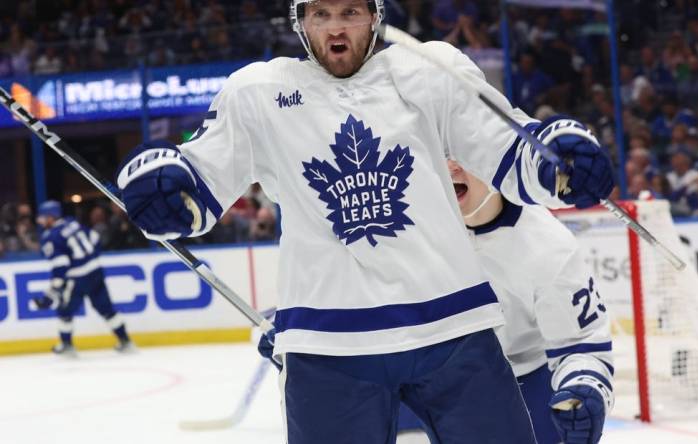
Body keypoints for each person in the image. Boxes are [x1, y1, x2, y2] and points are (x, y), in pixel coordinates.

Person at [115, 1, 614, 442]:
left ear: (374, 17)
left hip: (453, 327)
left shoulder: (428, 70)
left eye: (351, 12)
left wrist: (557, 160)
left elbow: (506, 148)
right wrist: (163, 186)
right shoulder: (259, 93)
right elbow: (199, 179)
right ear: (301, 22)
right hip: (327, 345)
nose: (336, 27)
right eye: (321, 14)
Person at [410, 160, 614, 444]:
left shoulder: (546, 244)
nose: (448, 165)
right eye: (440, 153)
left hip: (528, 383)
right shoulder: (415, 229)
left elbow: (581, 343)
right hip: (447, 382)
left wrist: (582, 388)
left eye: (458, 153)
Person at [34, 200, 135, 356]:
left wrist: (53, 291)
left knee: (64, 311)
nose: (40, 221)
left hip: (78, 278)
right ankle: (125, 341)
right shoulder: (71, 223)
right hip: (95, 271)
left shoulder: (51, 236)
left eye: (43, 217)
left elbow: (61, 266)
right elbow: (95, 239)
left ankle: (66, 345)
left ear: (51, 217)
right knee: (106, 309)